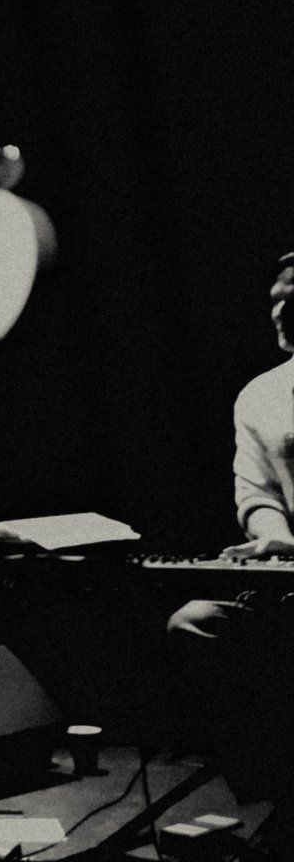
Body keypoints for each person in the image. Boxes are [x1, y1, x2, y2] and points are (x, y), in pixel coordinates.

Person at [166, 253, 294, 811]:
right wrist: (273, 540)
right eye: (275, 300)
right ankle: (270, 797)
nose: (281, 312)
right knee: (195, 623)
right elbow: (258, 493)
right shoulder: (261, 395)